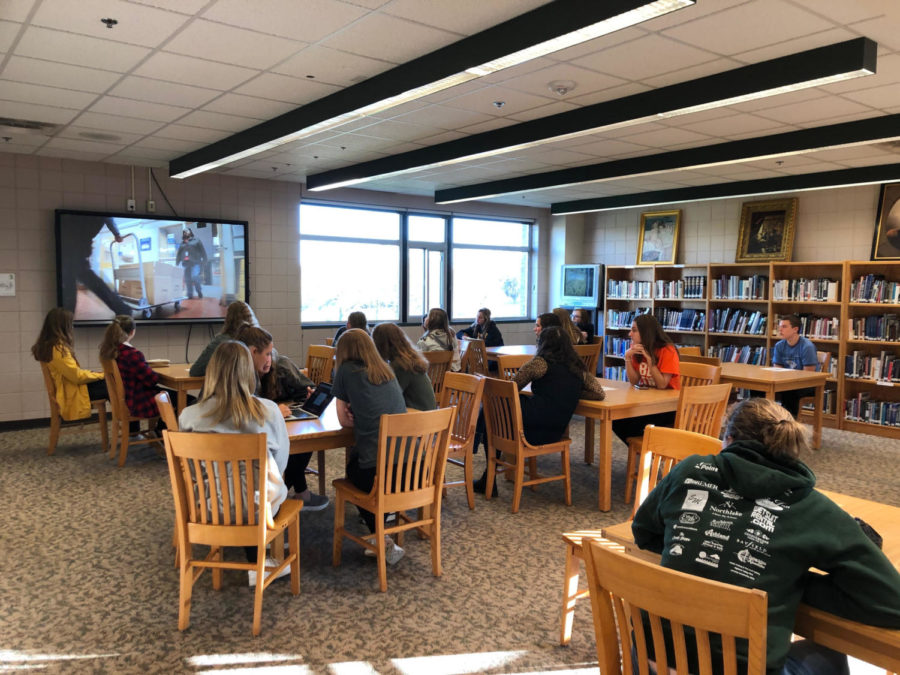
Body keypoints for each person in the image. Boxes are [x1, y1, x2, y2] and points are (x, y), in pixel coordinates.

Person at [632, 397, 900, 674]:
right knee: (831, 654)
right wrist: (788, 581)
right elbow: (892, 603)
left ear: (729, 438)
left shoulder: (689, 470)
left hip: (652, 661)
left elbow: (643, 531)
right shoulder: (813, 508)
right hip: (742, 669)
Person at [178, 341, 291, 586]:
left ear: (212, 371)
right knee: (269, 489)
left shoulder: (188, 416)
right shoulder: (268, 412)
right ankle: (260, 562)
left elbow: (189, 471)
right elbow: (281, 464)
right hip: (257, 510)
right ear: (247, 372)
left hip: (205, 509)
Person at [474, 326, 605, 496]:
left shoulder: (540, 363)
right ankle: (487, 475)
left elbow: (512, 388)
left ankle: (488, 476)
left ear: (542, 344)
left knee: (495, 407)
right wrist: (570, 391)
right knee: (504, 409)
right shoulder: (578, 368)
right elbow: (598, 393)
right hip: (556, 431)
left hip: (530, 430)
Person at [332, 329, 408, 564]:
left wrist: (355, 414)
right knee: (365, 464)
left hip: (380, 472)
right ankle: (380, 530)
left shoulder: (345, 370)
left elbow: (343, 421)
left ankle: (380, 537)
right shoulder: (387, 370)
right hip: (412, 469)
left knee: (353, 471)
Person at [237, 325, 326, 510]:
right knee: (281, 447)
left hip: (282, 423)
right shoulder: (241, 376)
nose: (270, 359)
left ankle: (290, 492)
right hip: (261, 432)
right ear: (252, 352)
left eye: (271, 353)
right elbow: (248, 408)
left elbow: (307, 388)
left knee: (304, 438)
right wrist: (274, 409)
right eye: (267, 354)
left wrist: (310, 395)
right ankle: (283, 496)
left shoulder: (282, 365)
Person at [611, 314, 680, 444]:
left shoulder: (667, 350)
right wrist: (627, 357)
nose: (630, 334)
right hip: (649, 404)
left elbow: (662, 385)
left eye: (634, 330)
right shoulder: (638, 349)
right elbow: (634, 381)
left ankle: (643, 453)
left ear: (646, 332)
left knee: (628, 423)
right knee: (616, 420)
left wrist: (650, 362)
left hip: (668, 408)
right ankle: (640, 453)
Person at [31, 307, 108, 421]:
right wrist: (102, 375)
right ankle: (129, 426)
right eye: (70, 324)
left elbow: (74, 373)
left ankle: (128, 428)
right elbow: (77, 377)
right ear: (63, 327)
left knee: (112, 383)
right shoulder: (58, 349)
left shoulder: (51, 346)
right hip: (72, 392)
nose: (72, 327)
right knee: (114, 384)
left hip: (71, 388)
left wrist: (98, 374)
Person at [59, 213, 133, 316]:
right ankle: (121, 308)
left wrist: (116, 233)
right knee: (78, 277)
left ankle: (67, 316)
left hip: (74, 240)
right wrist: (116, 234)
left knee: (74, 279)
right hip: (78, 240)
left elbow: (107, 215)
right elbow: (107, 217)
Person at [98, 314, 162, 422]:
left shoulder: (109, 351)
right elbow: (152, 380)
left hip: (126, 400)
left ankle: (134, 432)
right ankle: (162, 431)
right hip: (139, 403)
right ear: (132, 332)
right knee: (182, 399)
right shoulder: (132, 354)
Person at [372, 323, 436, 412]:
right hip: (429, 415)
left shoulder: (401, 366)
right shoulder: (409, 360)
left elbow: (390, 398)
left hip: (419, 417)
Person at [190, 301, 258, 377]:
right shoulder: (260, 340)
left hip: (227, 387)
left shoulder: (221, 342)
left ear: (228, 319)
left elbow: (195, 371)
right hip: (254, 387)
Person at [772, 314, 819, 417]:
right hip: (785, 381)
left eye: (784, 327)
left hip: (807, 385)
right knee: (758, 389)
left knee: (789, 391)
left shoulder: (807, 347)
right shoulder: (779, 346)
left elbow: (808, 374)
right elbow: (777, 369)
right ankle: (759, 422)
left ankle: (789, 425)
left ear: (795, 329)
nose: (780, 329)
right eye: (780, 326)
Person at [417, 307, 461, 372]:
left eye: (427, 316)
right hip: (451, 374)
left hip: (432, 377)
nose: (425, 318)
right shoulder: (451, 335)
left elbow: (419, 362)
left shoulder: (424, 341)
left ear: (431, 321)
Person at [175, 227, 207, 301]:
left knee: (195, 276)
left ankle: (199, 291)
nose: (185, 233)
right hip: (185, 263)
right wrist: (177, 263)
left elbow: (202, 251)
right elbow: (179, 254)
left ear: (190, 232)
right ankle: (190, 294)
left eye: (187, 231)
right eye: (184, 232)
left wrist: (205, 260)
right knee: (187, 279)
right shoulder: (182, 243)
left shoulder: (197, 240)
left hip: (195, 262)